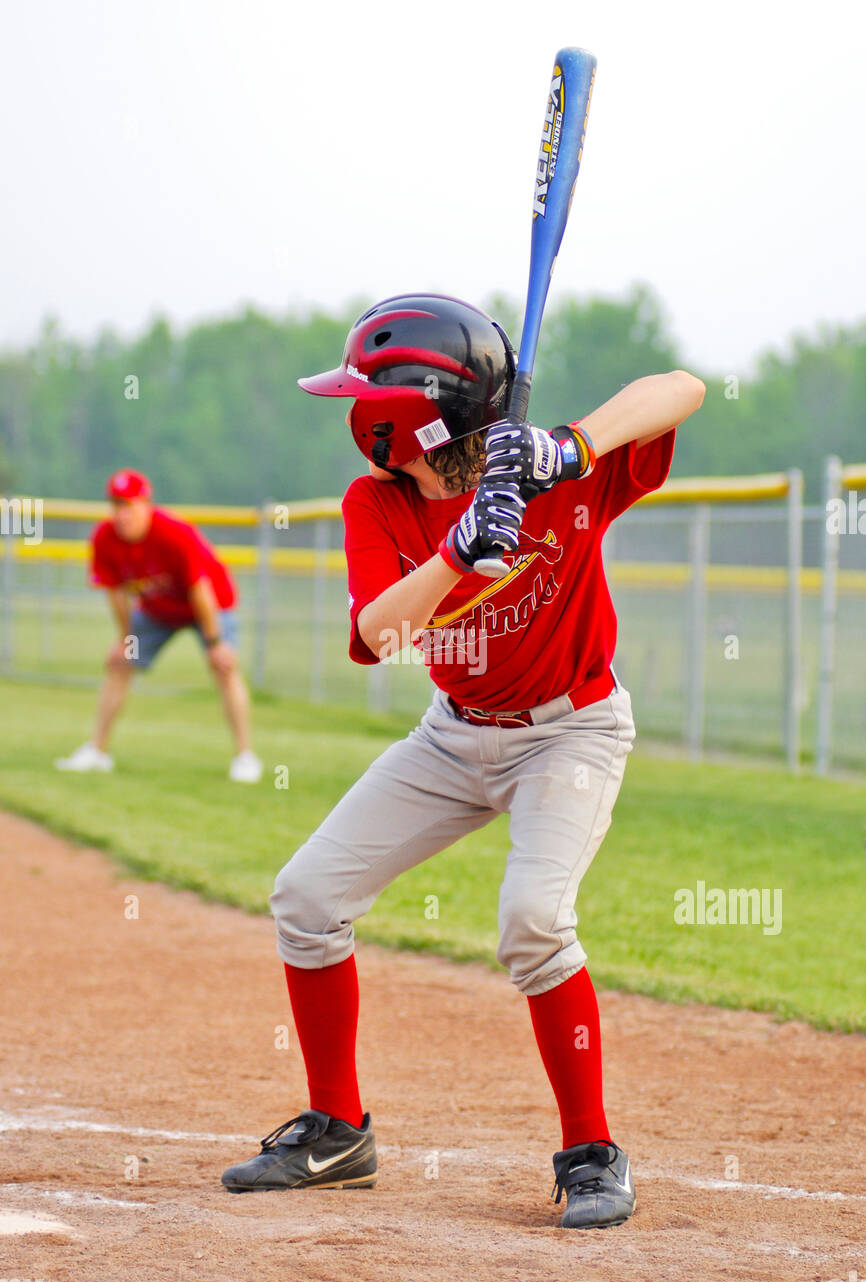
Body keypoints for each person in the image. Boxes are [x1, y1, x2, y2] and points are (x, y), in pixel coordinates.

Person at [221, 293, 705, 1227]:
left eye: (366, 397)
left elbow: (681, 388)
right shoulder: (380, 500)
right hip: (454, 734)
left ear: (408, 414)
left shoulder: (556, 472)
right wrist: (458, 551)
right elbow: (379, 630)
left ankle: (591, 1150)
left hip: (572, 731)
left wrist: (571, 448)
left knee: (531, 921)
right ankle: (337, 1131)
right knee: (309, 895)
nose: (355, 416)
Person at [55, 468, 263, 783]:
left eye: (129, 504)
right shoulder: (104, 537)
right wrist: (125, 639)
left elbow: (200, 590)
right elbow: (116, 596)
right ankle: (97, 752)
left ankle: (246, 758)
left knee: (224, 666)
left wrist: (215, 642)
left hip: (208, 604)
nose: (122, 514)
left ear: (146, 504)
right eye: (116, 505)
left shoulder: (175, 532)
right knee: (119, 662)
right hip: (158, 609)